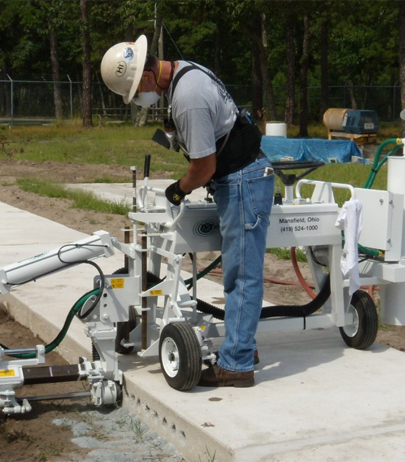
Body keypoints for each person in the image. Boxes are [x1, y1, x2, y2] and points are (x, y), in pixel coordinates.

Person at [100, 35, 274, 388]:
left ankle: (237, 365)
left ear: (147, 78)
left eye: (136, 93)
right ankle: (242, 345)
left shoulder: (187, 98)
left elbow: (204, 167)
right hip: (243, 177)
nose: (140, 101)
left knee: (242, 276)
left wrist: (179, 189)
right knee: (239, 274)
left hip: (241, 181)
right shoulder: (187, 71)